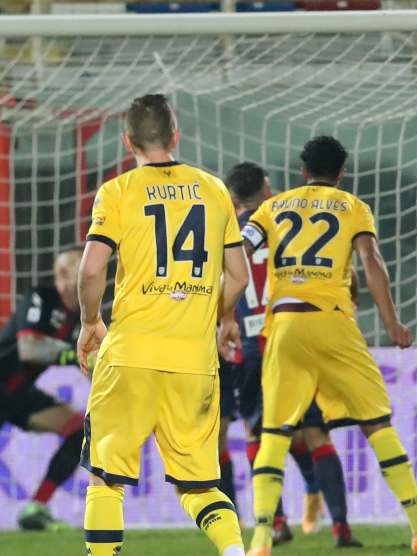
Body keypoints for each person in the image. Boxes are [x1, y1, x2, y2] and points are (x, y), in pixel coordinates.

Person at [240, 135, 417, 556]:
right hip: (333, 323)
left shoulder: (271, 207)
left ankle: (261, 539)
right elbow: (371, 262)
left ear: (302, 172)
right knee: (377, 422)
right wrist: (392, 321)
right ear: (341, 174)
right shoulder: (353, 207)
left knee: (274, 431)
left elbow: (239, 251)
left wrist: (221, 311)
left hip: (283, 324)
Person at [76, 94, 249, 556]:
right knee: (200, 486)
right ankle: (235, 552)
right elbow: (238, 276)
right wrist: (218, 317)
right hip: (193, 361)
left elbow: (92, 270)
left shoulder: (117, 191)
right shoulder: (214, 189)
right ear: (176, 135)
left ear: (126, 140)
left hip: (130, 354)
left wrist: (90, 322)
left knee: (107, 478)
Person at [222, 161, 362, 548]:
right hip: (294, 334)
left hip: (251, 346)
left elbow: (222, 283)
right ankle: (341, 528)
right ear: (267, 189)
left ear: (232, 198)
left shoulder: (230, 236)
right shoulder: (287, 225)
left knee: (258, 432)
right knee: (315, 432)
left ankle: (276, 522)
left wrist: (222, 322)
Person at [0, 248, 85, 530]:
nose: (89, 269)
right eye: (79, 265)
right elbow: (29, 348)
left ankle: (36, 508)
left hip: (19, 395)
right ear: (62, 274)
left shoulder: (83, 318)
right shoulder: (42, 297)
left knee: (80, 431)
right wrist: (73, 355)